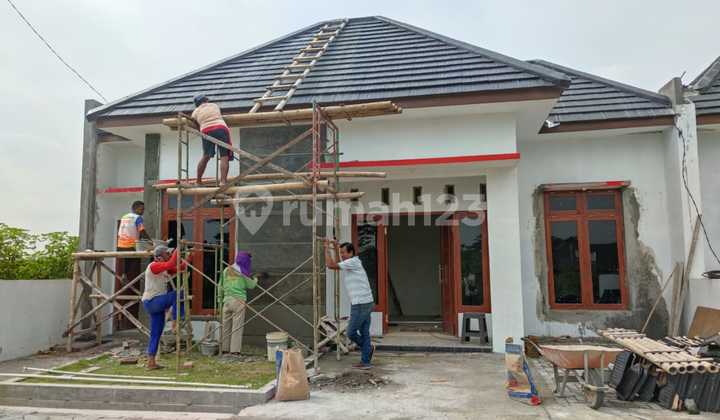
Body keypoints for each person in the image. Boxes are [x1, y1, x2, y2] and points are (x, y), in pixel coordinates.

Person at [324, 240, 376, 369]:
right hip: (365, 302)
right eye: (340, 252)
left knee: (351, 332)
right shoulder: (350, 263)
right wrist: (335, 247)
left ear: (351, 252)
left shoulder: (353, 262)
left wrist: (326, 249)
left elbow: (331, 265)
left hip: (360, 303)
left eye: (343, 252)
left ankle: (368, 348)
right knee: (364, 332)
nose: (342, 255)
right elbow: (338, 263)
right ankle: (366, 362)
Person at [142, 245, 190, 369]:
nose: (168, 256)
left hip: (155, 304)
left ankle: (151, 362)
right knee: (178, 294)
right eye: (166, 254)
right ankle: (175, 322)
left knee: (156, 333)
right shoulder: (153, 266)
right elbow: (171, 263)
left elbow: (181, 267)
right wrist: (178, 248)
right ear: (159, 256)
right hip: (152, 301)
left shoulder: (163, 269)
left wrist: (188, 257)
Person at [116, 201, 152, 330]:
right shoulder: (137, 218)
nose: (143, 211)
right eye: (141, 209)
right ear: (136, 208)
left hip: (120, 245)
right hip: (131, 245)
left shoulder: (124, 216)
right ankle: (136, 279)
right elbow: (142, 231)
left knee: (126, 262)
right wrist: (150, 242)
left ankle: (124, 275)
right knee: (136, 261)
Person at [218, 252, 258, 355]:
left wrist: (219, 300)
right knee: (237, 327)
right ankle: (235, 351)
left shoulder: (226, 270)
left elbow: (220, 286)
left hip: (226, 301)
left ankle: (224, 349)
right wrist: (255, 279)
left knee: (225, 326)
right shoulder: (242, 272)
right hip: (238, 301)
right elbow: (251, 285)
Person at [191, 94, 233, 185]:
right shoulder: (214, 106)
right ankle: (223, 182)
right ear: (206, 100)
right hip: (221, 128)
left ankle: (198, 181)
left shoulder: (196, 111)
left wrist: (201, 129)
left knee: (206, 156)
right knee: (224, 156)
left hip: (206, 130)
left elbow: (195, 122)